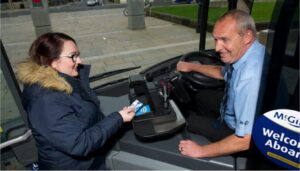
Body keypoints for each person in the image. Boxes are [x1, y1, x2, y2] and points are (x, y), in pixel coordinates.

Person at [16, 32, 135, 170]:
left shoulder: (67, 82)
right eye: (73, 56)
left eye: (78, 55)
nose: (79, 61)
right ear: (52, 62)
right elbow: (78, 144)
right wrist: (118, 118)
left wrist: (118, 120)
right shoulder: (46, 100)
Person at [176, 10, 266, 158]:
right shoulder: (251, 52)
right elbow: (223, 72)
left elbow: (245, 140)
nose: (217, 48)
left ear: (247, 36)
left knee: (189, 122)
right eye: (216, 40)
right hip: (236, 109)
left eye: (224, 40)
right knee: (202, 97)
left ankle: (214, 141)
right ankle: (213, 127)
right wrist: (193, 66)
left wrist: (201, 151)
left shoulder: (250, 78)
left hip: (242, 135)